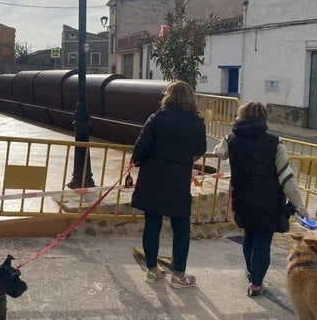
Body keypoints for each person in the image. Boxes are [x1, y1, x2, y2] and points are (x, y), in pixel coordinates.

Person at [213, 101, 309, 298]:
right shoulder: (275, 143)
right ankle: (256, 283)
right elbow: (286, 177)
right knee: (263, 243)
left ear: (241, 116)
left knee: (249, 237)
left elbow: (218, 153)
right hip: (269, 201)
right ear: (263, 118)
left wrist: (232, 131)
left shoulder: (231, 139)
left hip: (242, 199)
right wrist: (299, 205)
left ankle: (251, 273)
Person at [131, 80, 207, 288]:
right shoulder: (197, 123)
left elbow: (139, 151)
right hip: (178, 182)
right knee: (181, 228)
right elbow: (200, 149)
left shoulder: (156, 119)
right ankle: (179, 275)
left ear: (168, 96)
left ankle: (152, 271)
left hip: (152, 180)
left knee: (152, 225)